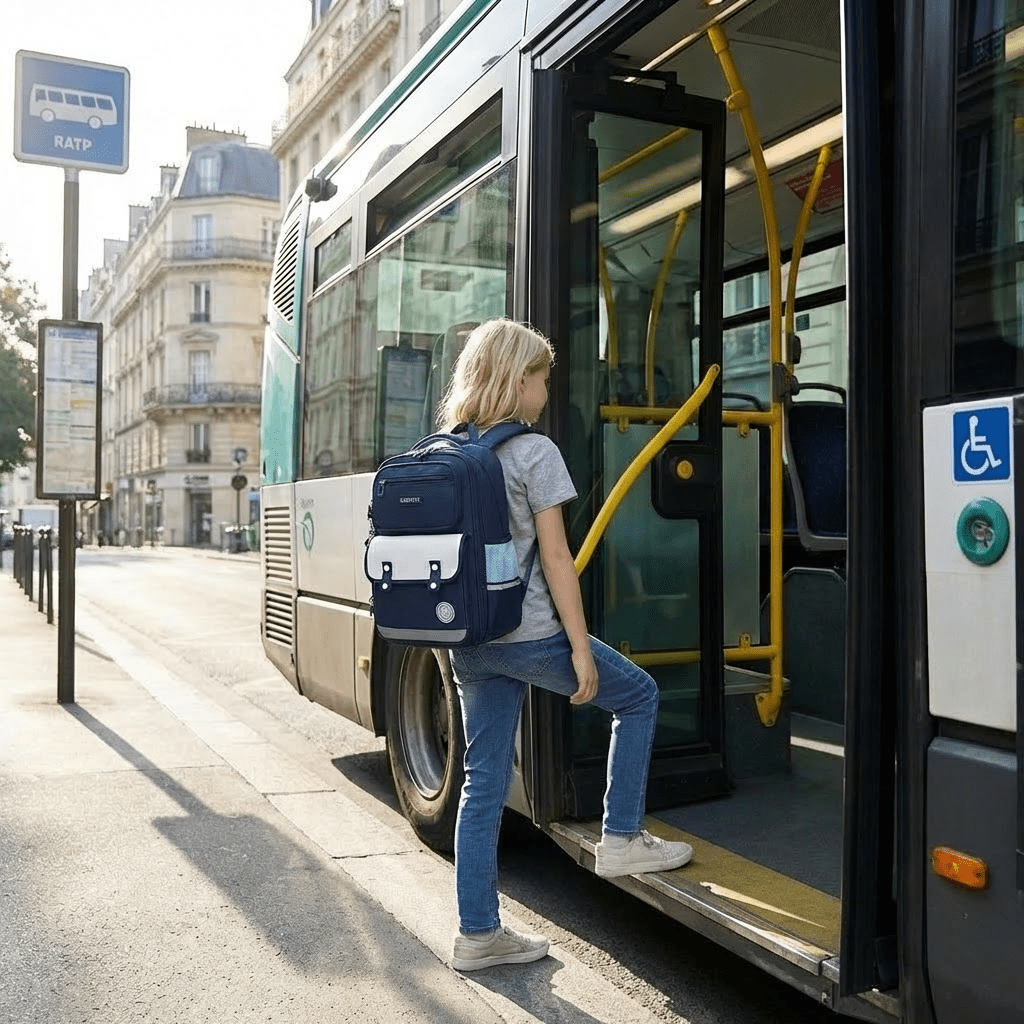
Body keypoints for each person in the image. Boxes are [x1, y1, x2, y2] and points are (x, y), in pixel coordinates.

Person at [439, 318, 693, 973]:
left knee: (483, 783)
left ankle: (478, 934)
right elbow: (557, 559)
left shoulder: (445, 447)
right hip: (526, 636)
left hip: (466, 642)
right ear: (515, 379)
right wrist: (578, 648)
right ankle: (622, 836)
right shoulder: (533, 452)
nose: (548, 391)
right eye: (542, 378)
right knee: (637, 696)